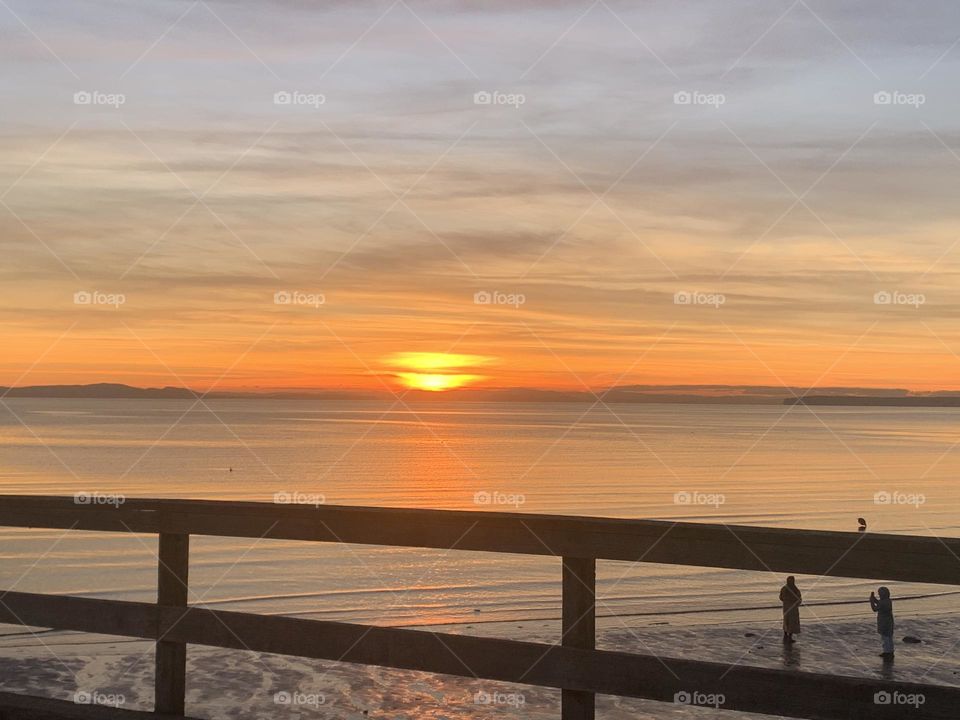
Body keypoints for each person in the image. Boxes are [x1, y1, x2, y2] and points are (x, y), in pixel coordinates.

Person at [870, 586, 895, 658]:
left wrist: (871, 602)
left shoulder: (882, 602)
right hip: (889, 620)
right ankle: (890, 651)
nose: (879, 595)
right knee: (889, 636)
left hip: (884, 621)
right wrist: (874, 599)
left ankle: (887, 652)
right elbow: (879, 604)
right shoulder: (888, 600)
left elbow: (875, 609)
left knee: (885, 637)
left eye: (880, 594)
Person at [779, 576, 802, 643]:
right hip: (793, 607)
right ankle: (789, 637)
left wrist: (785, 601)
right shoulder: (795, 589)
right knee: (791, 621)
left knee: (786, 620)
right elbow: (799, 598)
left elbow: (780, 597)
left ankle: (785, 635)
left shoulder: (784, 588)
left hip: (786, 607)